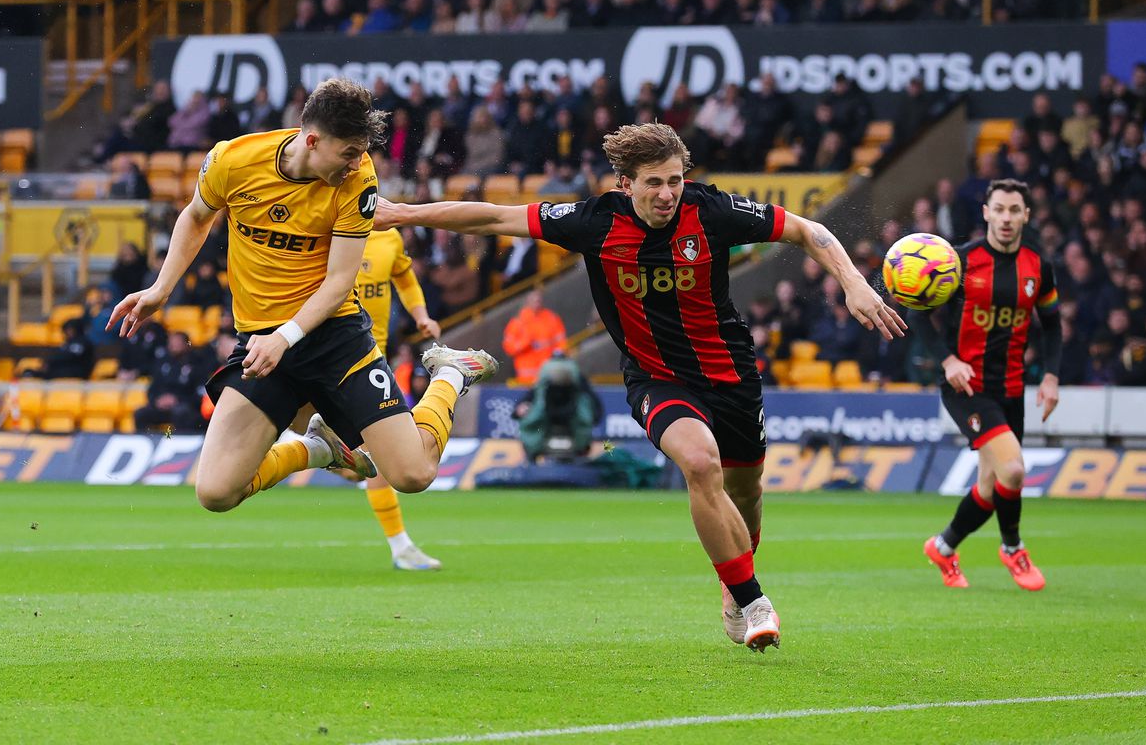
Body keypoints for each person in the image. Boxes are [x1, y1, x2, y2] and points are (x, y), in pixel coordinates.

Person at [374, 122, 905, 652]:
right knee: (700, 463)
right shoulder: (594, 221)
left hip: (731, 374)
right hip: (656, 377)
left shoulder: (710, 211)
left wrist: (855, 282)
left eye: (675, 180)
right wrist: (402, 212)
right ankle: (752, 598)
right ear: (625, 183)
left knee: (746, 492)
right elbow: (493, 217)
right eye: (654, 182)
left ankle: (732, 579)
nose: (667, 193)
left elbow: (808, 230)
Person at [108, 77, 498, 519]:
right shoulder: (232, 160)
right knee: (214, 493)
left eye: (360, 152)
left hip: (333, 339)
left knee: (413, 475)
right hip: (261, 343)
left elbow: (338, 282)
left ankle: (448, 375)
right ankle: (317, 448)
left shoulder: (357, 180)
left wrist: (285, 337)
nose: (356, 163)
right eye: (348, 152)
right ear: (311, 140)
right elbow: (197, 216)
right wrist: (161, 288)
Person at [912, 179, 1060, 591]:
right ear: (986, 212)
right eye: (1000, 209)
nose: (1007, 218)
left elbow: (1052, 324)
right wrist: (948, 359)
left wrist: (1050, 375)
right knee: (1013, 469)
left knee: (990, 486)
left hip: (1011, 389)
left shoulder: (1037, 266)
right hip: (966, 387)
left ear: (1026, 215)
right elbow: (920, 313)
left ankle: (943, 547)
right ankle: (1013, 548)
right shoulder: (961, 261)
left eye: (1015, 210)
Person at [326, 227, 446, 570]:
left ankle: (400, 546)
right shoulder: (328, 231)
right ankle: (309, 448)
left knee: (374, 459)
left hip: (371, 358)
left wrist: (421, 316)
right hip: (329, 354)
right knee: (373, 457)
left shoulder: (390, 239)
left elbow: (405, 280)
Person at [502, 289, 566, 384]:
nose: (537, 303)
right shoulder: (518, 321)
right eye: (534, 300)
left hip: (548, 369)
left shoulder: (551, 318)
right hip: (527, 374)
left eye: (539, 300)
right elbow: (508, 347)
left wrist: (558, 354)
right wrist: (525, 343)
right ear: (527, 302)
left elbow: (561, 340)